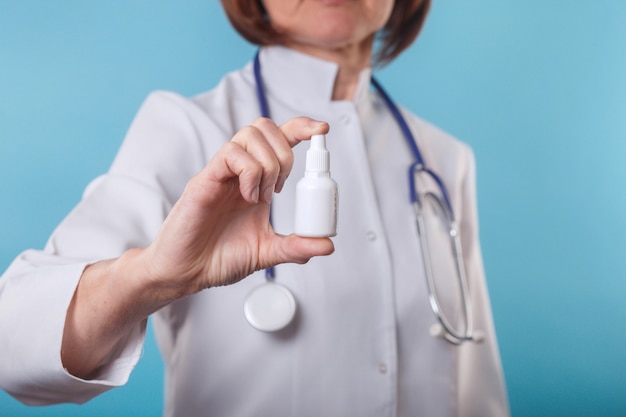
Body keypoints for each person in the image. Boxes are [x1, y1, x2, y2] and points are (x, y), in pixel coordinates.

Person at [0, 0, 509, 416]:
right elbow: (14, 345)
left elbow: (474, 373)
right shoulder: (184, 126)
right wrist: (153, 274)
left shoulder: (443, 158)